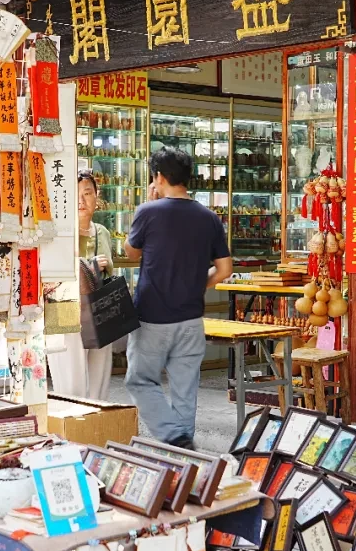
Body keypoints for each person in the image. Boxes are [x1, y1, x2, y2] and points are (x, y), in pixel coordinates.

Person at [124, 147, 233, 448]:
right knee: (186, 389)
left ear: (158, 177)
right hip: (191, 319)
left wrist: (147, 203)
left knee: (140, 381)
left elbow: (131, 253)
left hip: (152, 317)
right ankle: (184, 453)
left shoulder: (148, 212)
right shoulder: (208, 217)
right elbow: (224, 269)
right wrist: (199, 284)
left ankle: (173, 436)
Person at [47, 170, 115, 400]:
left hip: (99, 310)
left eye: (87, 193)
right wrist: (89, 265)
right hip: (64, 311)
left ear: (97, 196)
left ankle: (95, 431)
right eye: (73, 194)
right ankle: (71, 431)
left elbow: (110, 273)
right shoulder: (56, 234)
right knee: (70, 385)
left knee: (99, 383)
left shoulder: (103, 232)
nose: (80, 200)